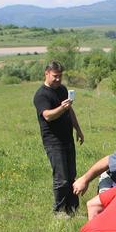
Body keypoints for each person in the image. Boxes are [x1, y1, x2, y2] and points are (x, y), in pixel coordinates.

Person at [33, 60, 85, 216]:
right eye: (55, 76)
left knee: (71, 176)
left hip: (67, 138)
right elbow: (48, 116)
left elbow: (70, 111)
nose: (58, 79)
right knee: (61, 178)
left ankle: (73, 209)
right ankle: (59, 212)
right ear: (47, 73)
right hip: (53, 141)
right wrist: (62, 107)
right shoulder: (41, 95)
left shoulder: (62, 89)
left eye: (60, 76)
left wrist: (78, 129)